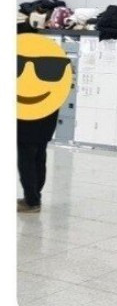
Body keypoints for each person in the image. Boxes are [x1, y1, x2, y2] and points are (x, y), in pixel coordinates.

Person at [17, 13, 59, 213]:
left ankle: (31, 201)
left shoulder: (20, 56)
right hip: (48, 113)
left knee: (26, 158)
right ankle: (34, 196)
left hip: (28, 115)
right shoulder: (51, 51)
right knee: (39, 156)